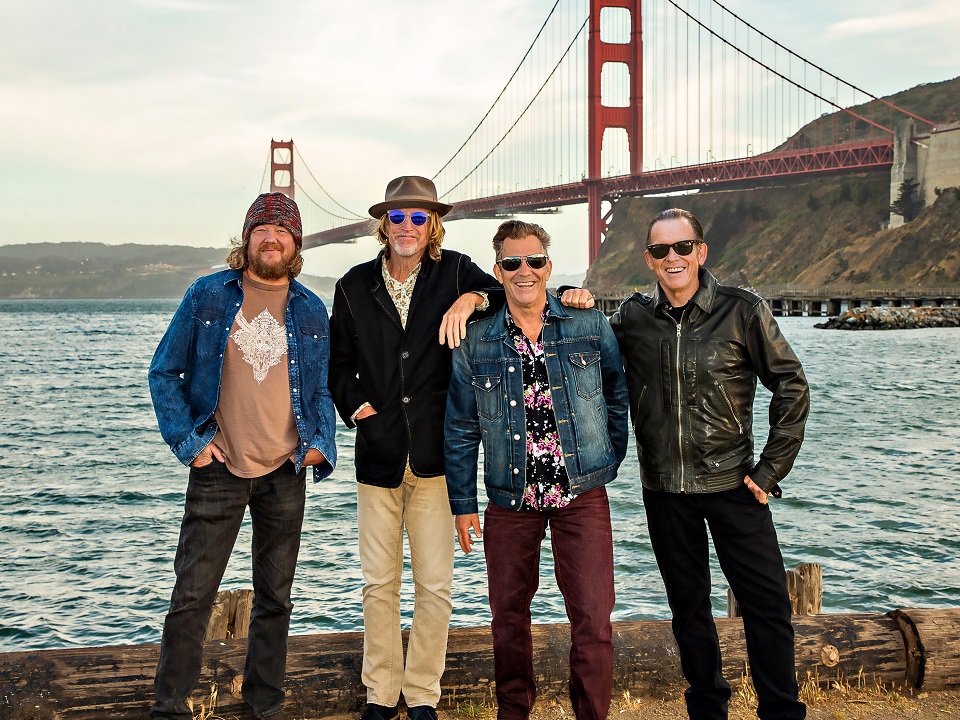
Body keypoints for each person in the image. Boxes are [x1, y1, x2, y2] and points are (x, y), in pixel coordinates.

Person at [329, 178, 592, 720]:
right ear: (384, 223)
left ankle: (422, 694)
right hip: (377, 456)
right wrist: (355, 408)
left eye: (417, 219)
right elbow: (338, 363)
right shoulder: (353, 284)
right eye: (397, 218)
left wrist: (471, 297)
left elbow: (514, 287)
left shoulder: (456, 270)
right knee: (379, 585)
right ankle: (381, 694)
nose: (407, 228)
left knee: (435, 584)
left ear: (433, 226)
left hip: (436, 457)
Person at [610, 208, 810, 720]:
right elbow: (574, 343)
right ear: (649, 259)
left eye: (682, 247)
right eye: (660, 250)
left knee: (767, 606)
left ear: (701, 251)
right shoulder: (632, 318)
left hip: (735, 485)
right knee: (689, 609)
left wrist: (769, 471)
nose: (672, 258)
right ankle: (707, 709)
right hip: (663, 489)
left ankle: (781, 712)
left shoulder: (742, 311)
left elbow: (791, 384)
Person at [148, 192, 337, 720]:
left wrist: (321, 442)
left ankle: (264, 707)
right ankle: (169, 709)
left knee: (275, 599)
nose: (272, 238)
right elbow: (163, 373)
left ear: (296, 244)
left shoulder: (310, 308)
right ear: (247, 238)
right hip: (219, 468)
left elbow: (320, 390)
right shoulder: (207, 296)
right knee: (192, 594)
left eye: (283, 231)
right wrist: (191, 445)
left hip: (285, 470)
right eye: (262, 229)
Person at [444, 220, 629, 720]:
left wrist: (608, 457)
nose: (524, 272)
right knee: (507, 618)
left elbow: (616, 391)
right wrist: (462, 507)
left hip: (581, 493)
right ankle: (513, 713)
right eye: (511, 263)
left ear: (549, 265)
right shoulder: (476, 341)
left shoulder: (587, 323)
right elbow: (460, 429)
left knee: (592, 616)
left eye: (534, 261)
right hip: (510, 496)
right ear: (498, 271)